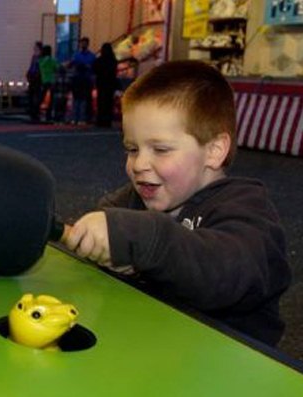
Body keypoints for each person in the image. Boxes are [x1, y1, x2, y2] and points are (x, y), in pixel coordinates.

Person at [62, 60, 291, 346]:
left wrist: (143, 239)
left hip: (227, 361)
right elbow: (109, 228)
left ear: (214, 150)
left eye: (160, 149)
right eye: (132, 149)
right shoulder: (131, 200)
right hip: (154, 346)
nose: (139, 164)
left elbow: (223, 273)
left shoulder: (248, 209)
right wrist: (100, 243)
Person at [70, 37, 96, 123]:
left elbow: (93, 68)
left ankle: (82, 117)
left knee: (84, 99)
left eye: (84, 43)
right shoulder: (76, 55)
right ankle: (75, 117)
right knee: (77, 99)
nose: (83, 45)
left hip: (86, 79)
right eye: (82, 43)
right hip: (78, 78)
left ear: (87, 44)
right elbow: (72, 64)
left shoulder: (91, 56)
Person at [93, 42, 119, 127]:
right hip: (110, 83)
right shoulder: (113, 60)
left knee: (101, 102)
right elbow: (114, 72)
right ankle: (107, 121)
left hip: (101, 83)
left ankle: (100, 120)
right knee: (109, 102)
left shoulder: (99, 60)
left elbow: (94, 69)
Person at [26, 41, 43, 123]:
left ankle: (35, 113)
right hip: (32, 77)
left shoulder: (41, 57)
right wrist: (28, 73)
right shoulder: (34, 56)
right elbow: (31, 66)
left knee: (36, 96)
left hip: (37, 78)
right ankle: (32, 112)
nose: (34, 48)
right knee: (31, 95)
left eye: (35, 47)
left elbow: (39, 68)